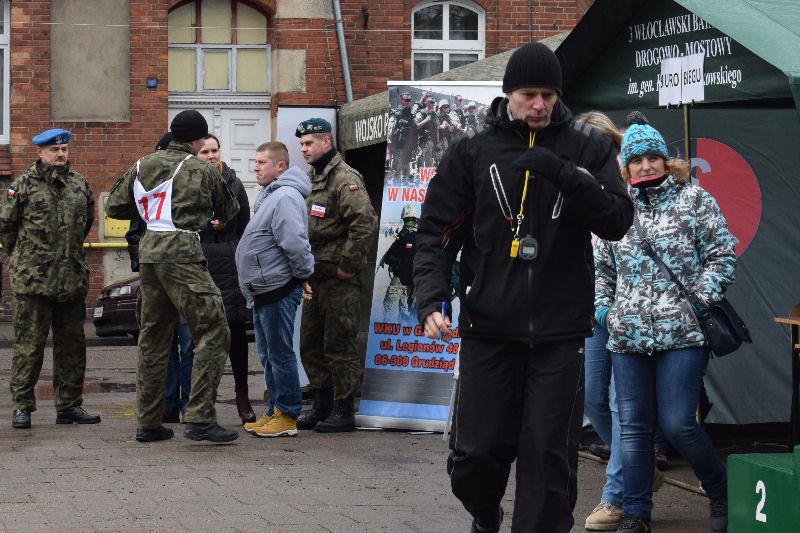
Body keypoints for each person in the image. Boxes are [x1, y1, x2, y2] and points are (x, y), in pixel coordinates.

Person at [413, 42, 633, 532]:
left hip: (559, 331)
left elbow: (617, 220)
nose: (540, 105)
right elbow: (435, 234)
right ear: (508, 93)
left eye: (549, 95)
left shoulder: (586, 147)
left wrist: (566, 176)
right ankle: (484, 510)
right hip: (488, 326)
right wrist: (431, 299)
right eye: (530, 94)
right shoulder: (472, 151)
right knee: (478, 454)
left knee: (546, 455)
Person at [594, 117, 734, 533]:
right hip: (626, 337)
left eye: (654, 156)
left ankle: (719, 488)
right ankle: (636, 513)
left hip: (683, 335)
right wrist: (606, 311)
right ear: (625, 167)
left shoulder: (695, 201)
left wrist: (698, 303)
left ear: (666, 161)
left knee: (677, 423)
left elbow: (722, 256)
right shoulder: (614, 207)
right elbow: (601, 270)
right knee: (634, 430)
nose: (646, 165)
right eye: (636, 159)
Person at [106, 110, 240, 443]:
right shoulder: (202, 169)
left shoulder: (142, 164)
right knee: (214, 329)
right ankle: (199, 417)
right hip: (182, 252)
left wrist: (150, 206)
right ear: (199, 139)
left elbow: (114, 207)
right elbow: (229, 210)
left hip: (149, 254)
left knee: (153, 338)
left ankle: (149, 422)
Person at [1, 128, 101, 429]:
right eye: (54, 150)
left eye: (64, 150)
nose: (61, 154)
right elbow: (6, 230)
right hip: (35, 281)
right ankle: (22, 406)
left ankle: (69, 406)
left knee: (72, 346)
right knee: (29, 346)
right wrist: (27, 260)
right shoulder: (23, 186)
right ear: (40, 152)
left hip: (70, 279)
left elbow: (86, 224)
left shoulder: (78, 185)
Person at [295, 118, 378, 433]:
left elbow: (364, 222)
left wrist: (348, 263)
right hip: (315, 277)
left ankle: (344, 409)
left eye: (309, 144)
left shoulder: (344, 178)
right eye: (302, 144)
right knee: (311, 343)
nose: (304, 149)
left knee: (339, 343)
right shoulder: (314, 177)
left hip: (338, 278)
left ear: (326, 142)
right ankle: (322, 404)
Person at [236, 141, 314, 438]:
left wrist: (304, 274)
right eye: (255, 162)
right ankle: (274, 412)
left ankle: (288, 415)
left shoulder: (285, 196)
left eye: (261, 162)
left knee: (280, 354)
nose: (255, 167)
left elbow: (294, 241)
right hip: (264, 288)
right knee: (269, 355)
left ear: (280, 166)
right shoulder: (272, 195)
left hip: (277, 287)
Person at [125, 132, 195, 424]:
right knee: (161, 344)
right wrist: (143, 266)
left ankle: (190, 403)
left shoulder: (192, 189)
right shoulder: (148, 192)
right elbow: (133, 233)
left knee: (190, 343)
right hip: (156, 280)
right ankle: (166, 404)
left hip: (187, 278)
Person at [196, 134, 256, 424]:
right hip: (201, 261)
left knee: (236, 336)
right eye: (205, 151)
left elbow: (245, 224)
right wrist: (206, 225)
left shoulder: (233, 182)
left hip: (230, 266)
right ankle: (202, 402)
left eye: (215, 150)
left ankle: (242, 396)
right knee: (204, 338)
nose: (211, 155)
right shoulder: (189, 182)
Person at [378, 204, 419, 324]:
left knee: (389, 305)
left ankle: (388, 333)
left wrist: (388, 261)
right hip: (415, 280)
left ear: (404, 218)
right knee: (406, 308)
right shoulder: (422, 234)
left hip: (400, 278)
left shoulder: (404, 234)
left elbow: (393, 256)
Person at [388, 91, 416, 184]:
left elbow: (413, 131)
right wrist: (388, 152)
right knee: (396, 173)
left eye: (409, 100)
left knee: (406, 174)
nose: (408, 102)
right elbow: (389, 133)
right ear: (401, 100)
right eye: (406, 100)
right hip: (398, 148)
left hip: (407, 148)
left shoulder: (410, 115)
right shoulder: (396, 114)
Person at [415, 96, 439, 169]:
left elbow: (437, 129)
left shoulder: (434, 115)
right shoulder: (421, 113)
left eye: (434, 103)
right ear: (427, 103)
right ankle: (418, 179)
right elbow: (415, 127)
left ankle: (427, 179)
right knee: (420, 164)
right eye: (432, 102)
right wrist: (425, 120)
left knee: (429, 163)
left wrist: (437, 142)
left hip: (430, 142)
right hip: (422, 141)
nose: (433, 104)